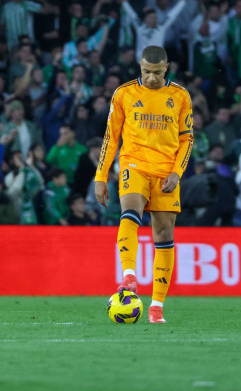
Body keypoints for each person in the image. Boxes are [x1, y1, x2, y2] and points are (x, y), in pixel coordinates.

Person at [94, 45, 194, 324]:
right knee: (131, 213)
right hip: (133, 163)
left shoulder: (180, 95)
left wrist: (177, 172)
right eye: (147, 72)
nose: (151, 78)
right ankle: (129, 275)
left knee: (164, 234)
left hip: (166, 172)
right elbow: (111, 137)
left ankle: (156, 308)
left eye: (157, 72)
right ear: (140, 67)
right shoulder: (124, 93)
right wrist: (100, 177)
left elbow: (187, 139)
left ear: (167, 68)